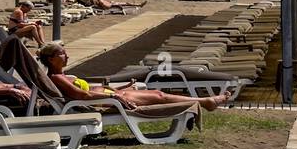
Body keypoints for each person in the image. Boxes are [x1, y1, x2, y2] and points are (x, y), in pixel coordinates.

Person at [38, 42, 229, 110]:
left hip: (109, 95)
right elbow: (83, 96)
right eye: (63, 53)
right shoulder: (57, 78)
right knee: (159, 97)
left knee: (156, 93)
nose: (67, 55)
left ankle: (204, 102)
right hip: (104, 101)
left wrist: (119, 88)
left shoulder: (64, 76)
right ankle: (205, 102)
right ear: (51, 59)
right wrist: (114, 96)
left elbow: (89, 90)